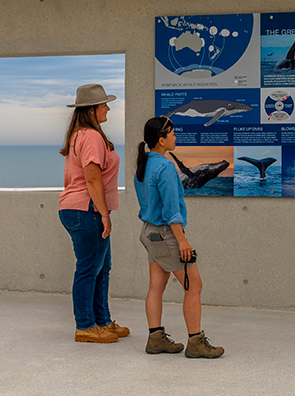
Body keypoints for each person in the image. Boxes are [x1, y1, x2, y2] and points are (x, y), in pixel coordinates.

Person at [134, 116, 224, 358]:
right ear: (161, 140)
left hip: (149, 232)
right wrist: (181, 240)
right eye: (172, 133)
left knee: (156, 285)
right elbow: (171, 210)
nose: (176, 136)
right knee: (194, 285)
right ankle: (195, 341)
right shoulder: (164, 168)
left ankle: (155, 338)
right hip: (166, 234)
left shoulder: (144, 165)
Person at [59, 84, 129, 344]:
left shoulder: (80, 134)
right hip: (86, 208)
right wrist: (104, 214)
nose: (108, 108)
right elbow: (92, 178)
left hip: (79, 208)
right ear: (91, 110)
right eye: (104, 105)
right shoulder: (90, 136)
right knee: (89, 268)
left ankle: (102, 320)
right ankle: (86, 326)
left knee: (102, 267)